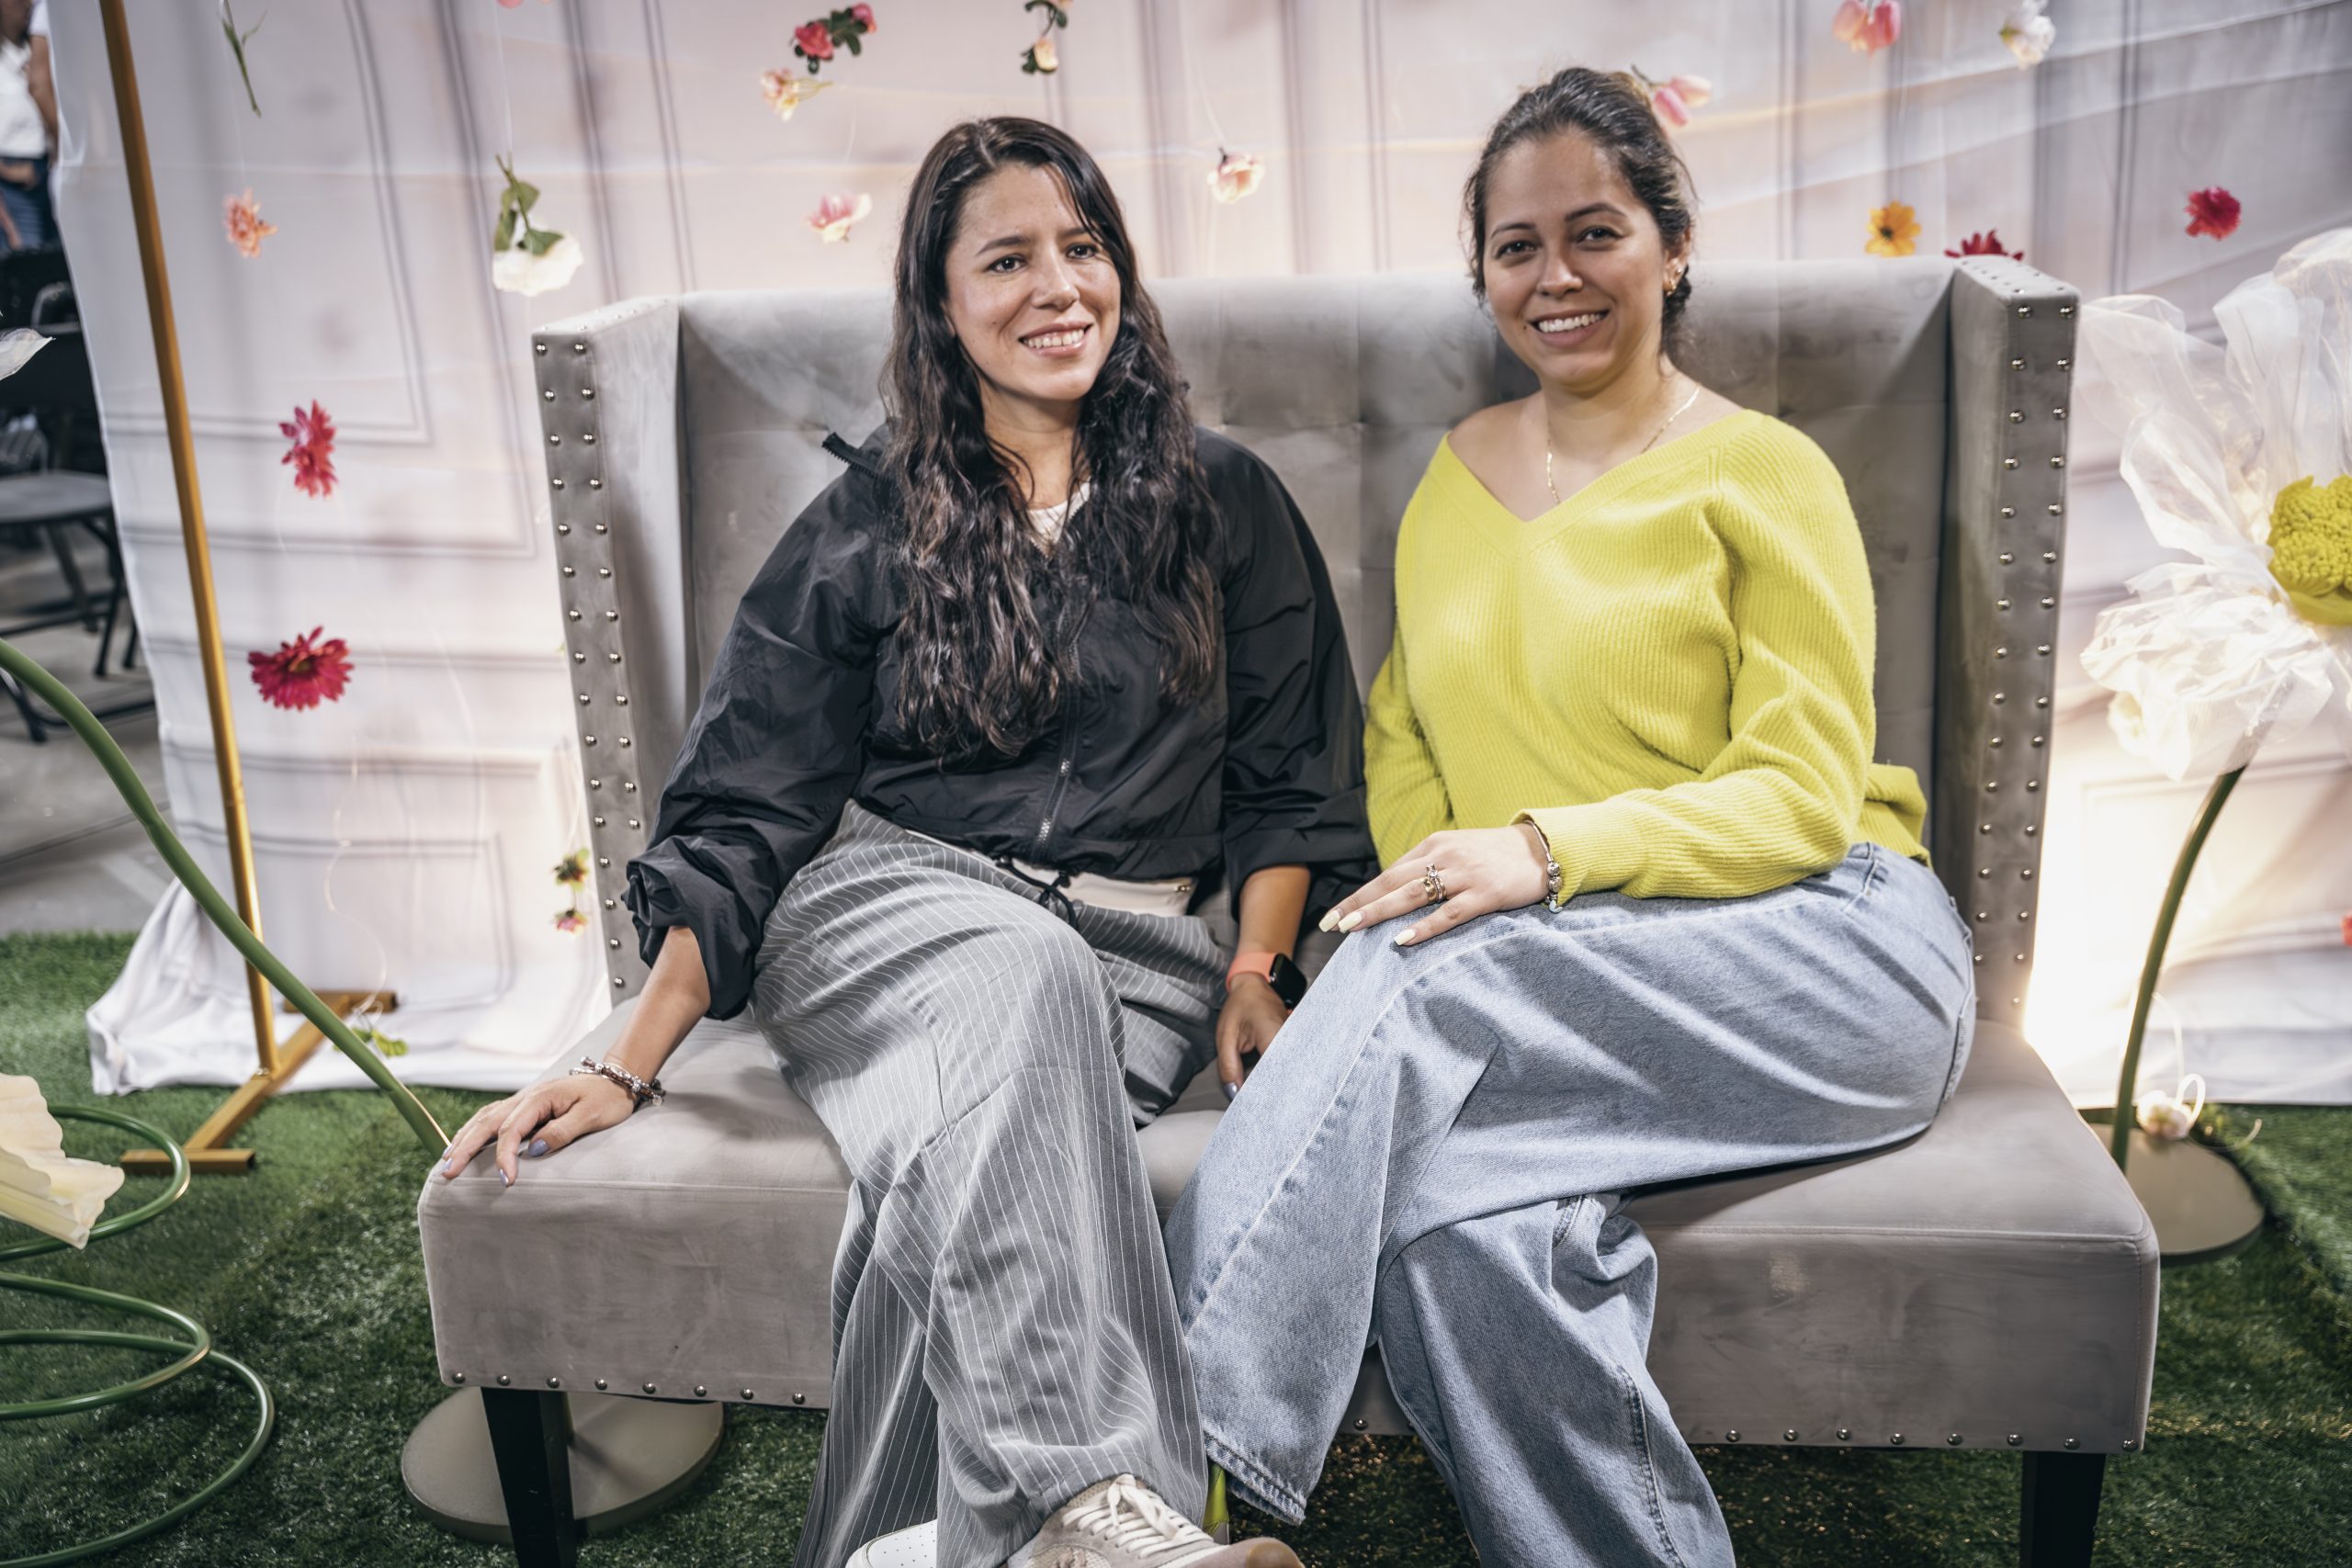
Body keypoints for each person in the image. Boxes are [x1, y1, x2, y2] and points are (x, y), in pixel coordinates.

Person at [438, 117, 1369, 1568]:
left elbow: (1288, 768)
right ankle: (1086, 1503)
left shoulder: (1224, 498)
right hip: (883, 901)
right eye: (1007, 260)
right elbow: (750, 802)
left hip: (1137, 949)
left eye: (1083, 247)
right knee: (1022, 968)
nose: (1059, 286)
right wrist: (628, 1053)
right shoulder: (873, 519)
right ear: (941, 303)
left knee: (935, 1191)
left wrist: (1256, 964)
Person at [1164, 66, 1977, 1568]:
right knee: (1462, 1237)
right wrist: (1418, 906)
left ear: (1673, 244)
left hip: (1828, 945)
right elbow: (1405, 742)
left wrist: (1546, 852)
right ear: (1483, 276)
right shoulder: (1453, 482)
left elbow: (1805, 796)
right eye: (1517, 246)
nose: (1557, 276)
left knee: (1416, 971)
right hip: (1570, 970)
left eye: (1595, 232)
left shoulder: (1764, 470)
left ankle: (1164, 1488)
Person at [0, 0, 53, 251]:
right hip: (11, 177)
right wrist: (9, 172)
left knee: (56, 257)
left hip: (46, 166)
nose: (29, 4)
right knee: (26, 258)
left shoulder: (35, 52)